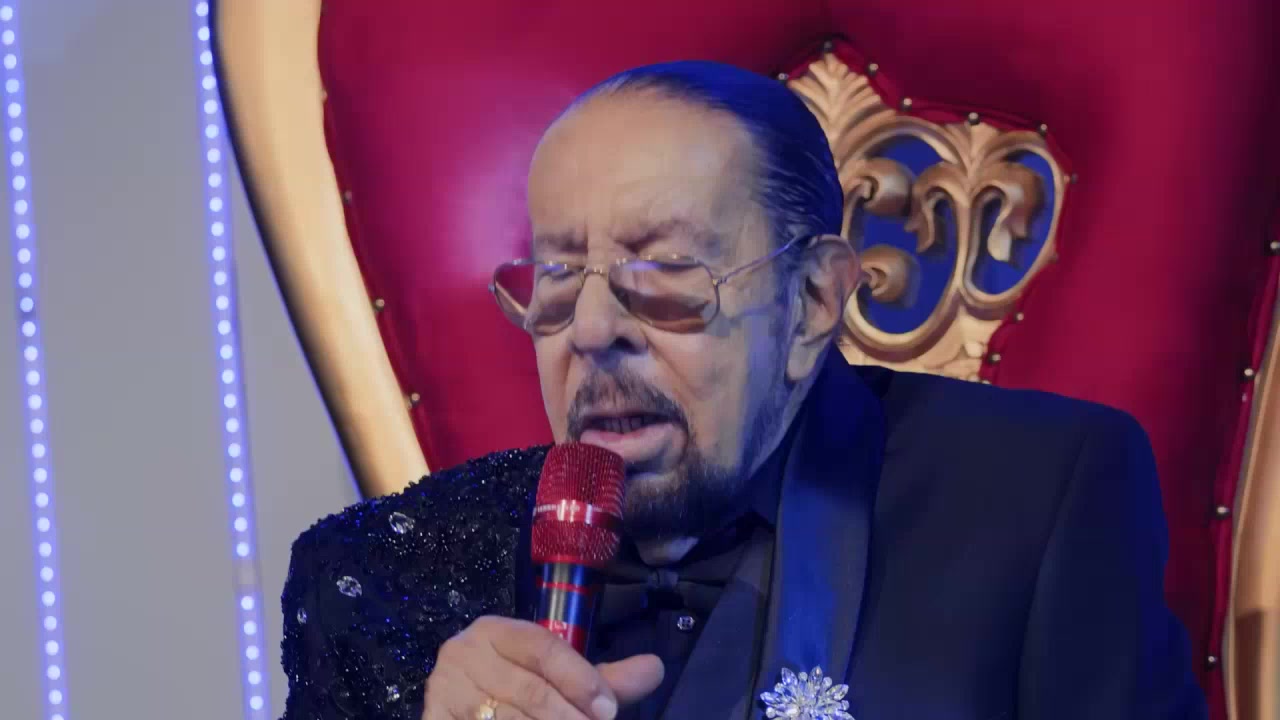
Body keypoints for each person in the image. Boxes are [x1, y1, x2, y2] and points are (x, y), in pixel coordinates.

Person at [279, 61, 1206, 720]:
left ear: (812, 302)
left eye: (663, 271)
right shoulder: (386, 581)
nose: (592, 331)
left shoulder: (1036, 499)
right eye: (558, 278)